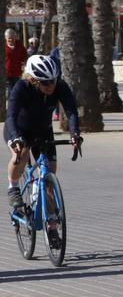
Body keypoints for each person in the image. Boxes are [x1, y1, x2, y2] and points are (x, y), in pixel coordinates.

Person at [7, 54, 80, 219]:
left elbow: (71, 111)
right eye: (46, 82)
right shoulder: (21, 88)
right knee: (22, 154)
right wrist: (15, 138)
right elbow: (10, 116)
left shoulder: (60, 86)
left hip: (43, 131)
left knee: (49, 173)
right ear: (34, 80)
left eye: (53, 80)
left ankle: (52, 222)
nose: (51, 85)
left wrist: (75, 134)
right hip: (20, 130)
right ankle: (13, 187)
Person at [3, 27, 25, 97]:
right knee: (10, 90)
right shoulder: (3, 46)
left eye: (12, 37)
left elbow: (24, 55)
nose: (11, 39)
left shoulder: (19, 45)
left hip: (16, 72)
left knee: (15, 90)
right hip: (6, 73)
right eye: (9, 38)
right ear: (6, 38)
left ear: (15, 37)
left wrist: (23, 63)